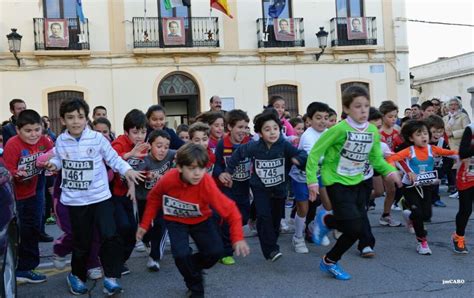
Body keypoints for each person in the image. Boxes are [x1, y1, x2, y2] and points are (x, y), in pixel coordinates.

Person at [45, 98, 144, 295]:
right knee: (82, 242)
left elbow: (113, 159)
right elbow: (58, 158)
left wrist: (127, 171)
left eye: (80, 117)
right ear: (63, 120)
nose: (76, 121)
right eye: (70, 117)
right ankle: (76, 276)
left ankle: (111, 277)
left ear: (86, 119)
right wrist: (54, 164)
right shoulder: (61, 140)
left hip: (100, 197)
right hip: (75, 201)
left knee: (110, 236)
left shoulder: (98, 139)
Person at [307, 86, 401, 280]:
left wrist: (390, 171)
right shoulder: (338, 129)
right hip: (336, 180)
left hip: (358, 181)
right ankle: (330, 256)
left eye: (366, 105)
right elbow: (315, 153)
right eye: (358, 106)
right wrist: (312, 182)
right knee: (354, 227)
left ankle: (327, 232)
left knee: (355, 228)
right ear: (347, 108)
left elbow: (376, 159)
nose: (363, 110)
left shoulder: (373, 131)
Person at [137, 143, 250, 298]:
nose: (197, 173)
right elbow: (154, 198)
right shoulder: (169, 179)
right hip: (176, 220)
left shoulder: (206, 183)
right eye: (191, 168)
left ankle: (191, 266)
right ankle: (195, 287)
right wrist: (144, 224)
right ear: (180, 167)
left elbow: (231, 210)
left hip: (201, 219)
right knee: (181, 255)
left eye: (201, 168)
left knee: (215, 252)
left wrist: (238, 238)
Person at [222, 109, 307, 261]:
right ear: (260, 133)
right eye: (267, 130)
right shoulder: (254, 146)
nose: (272, 133)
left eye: (275, 129)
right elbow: (238, 153)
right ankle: (271, 250)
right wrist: (229, 171)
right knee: (264, 216)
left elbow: (301, 155)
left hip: (280, 190)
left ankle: (272, 242)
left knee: (275, 220)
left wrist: (298, 161)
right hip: (260, 188)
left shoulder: (284, 145)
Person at [386, 120, 457, 255]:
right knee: (418, 214)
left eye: (425, 133)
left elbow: (451, 153)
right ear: (411, 138)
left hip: (426, 186)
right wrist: (407, 171)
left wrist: (463, 155)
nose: (424, 137)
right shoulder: (409, 151)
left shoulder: (433, 149)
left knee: (426, 215)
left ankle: (409, 216)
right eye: (419, 134)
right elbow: (392, 159)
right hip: (410, 187)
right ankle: (422, 242)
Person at [4, 109, 54, 284]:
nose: (33, 135)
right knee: (18, 233)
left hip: (33, 191)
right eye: (28, 130)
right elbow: (6, 170)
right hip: (14, 197)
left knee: (32, 229)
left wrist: (51, 164)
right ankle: (20, 267)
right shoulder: (13, 144)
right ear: (18, 130)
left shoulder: (44, 140)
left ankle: (26, 267)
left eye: (37, 130)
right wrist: (16, 173)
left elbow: (55, 154)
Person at [111, 109, 150, 275]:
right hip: (113, 194)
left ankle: (120, 261)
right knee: (123, 227)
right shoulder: (120, 142)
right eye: (135, 132)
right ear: (126, 132)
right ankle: (113, 262)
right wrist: (129, 154)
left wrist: (150, 174)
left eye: (143, 132)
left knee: (134, 233)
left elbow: (143, 169)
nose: (140, 136)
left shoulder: (144, 147)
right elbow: (110, 159)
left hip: (129, 194)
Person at [289, 102, 330, 254]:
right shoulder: (308, 136)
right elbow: (314, 158)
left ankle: (313, 226)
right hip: (301, 176)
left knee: (328, 204)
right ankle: (298, 237)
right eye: (318, 117)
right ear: (309, 120)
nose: (323, 121)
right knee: (303, 209)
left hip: (318, 174)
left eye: (326, 117)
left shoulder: (328, 132)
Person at [213, 109, 251, 265]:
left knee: (243, 217)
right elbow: (216, 165)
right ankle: (226, 251)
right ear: (230, 127)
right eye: (239, 127)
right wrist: (221, 174)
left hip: (244, 186)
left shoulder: (250, 142)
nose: (243, 131)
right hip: (228, 188)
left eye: (245, 127)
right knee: (228, 218)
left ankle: (230, 234)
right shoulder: (223, 143)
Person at [136, 130, 176, 271]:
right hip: (144, 199)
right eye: (159, 146)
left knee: (161, 224)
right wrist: (148, 175)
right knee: (146, 229)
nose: (162, 150)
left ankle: (154, 258)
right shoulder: (145, 159)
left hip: (161, 199)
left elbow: (184, 153)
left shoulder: (171, 154)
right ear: (150, 145)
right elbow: (137, 173)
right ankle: (147, 240)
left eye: (166, 147)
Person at [378, 100, 402, 225]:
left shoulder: (397, 129)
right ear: (382, 116)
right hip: (378, 161)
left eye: (395, 116)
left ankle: (386, 215)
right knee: (378, 191)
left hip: (391, 162)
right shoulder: (377, 131)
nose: (393, 119)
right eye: (390, 116)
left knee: (391, 190)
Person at [452, 124, 474, 254]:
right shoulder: (470, 129)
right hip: (468, 174)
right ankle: (459, 237)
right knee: (466, 210)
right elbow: (463, 153)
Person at [425, 115, 453, 208]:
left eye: (440, 132)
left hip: (436, 167)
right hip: (421, 169)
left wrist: (442, 172)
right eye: (434, 132)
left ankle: (436, 199)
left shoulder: (442, 142)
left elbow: (449, 159)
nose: (437, 134)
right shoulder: (422, 141)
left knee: (435, 183)